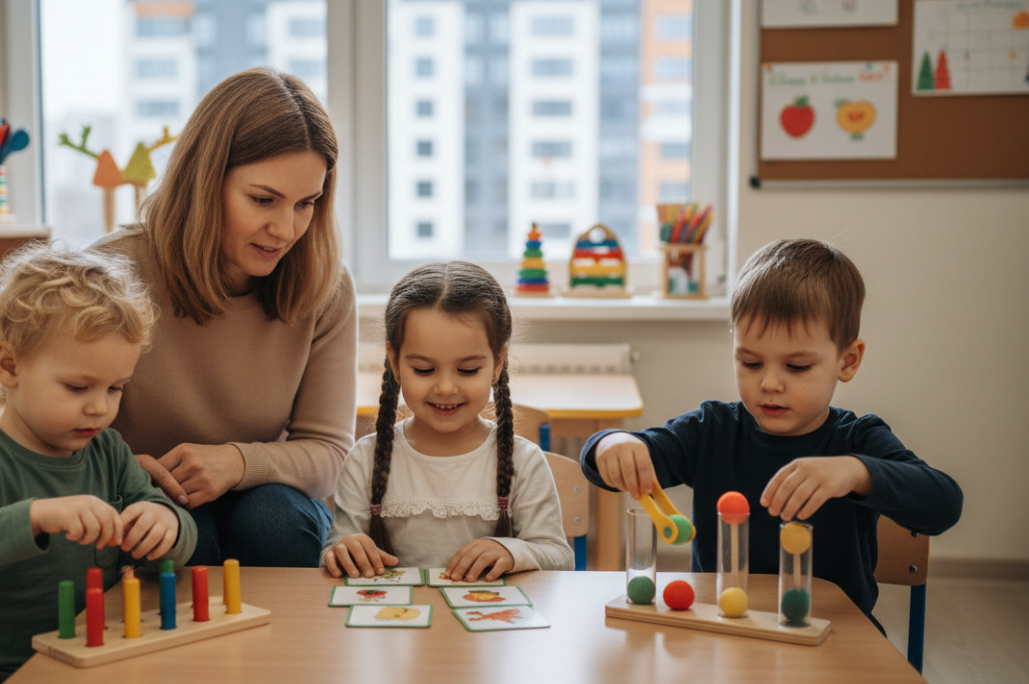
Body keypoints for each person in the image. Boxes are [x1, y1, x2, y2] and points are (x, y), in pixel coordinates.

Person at [582, 238, 962, 623]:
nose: (770, 384)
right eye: (750, 362)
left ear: (847, 361)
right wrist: (610, 443)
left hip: (830, 643)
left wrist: (856, 472)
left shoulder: (856, 439)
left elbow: (944, 504)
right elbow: (612, 460)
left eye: (796, 367)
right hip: (727, 635)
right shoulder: (711, 430)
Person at [0, 243, 196, 684]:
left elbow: (174, 536)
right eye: (79, 388)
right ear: (10, 367)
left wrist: (166, 525)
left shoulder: (109, 451)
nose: (100, 409)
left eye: (115, 388)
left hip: (87, 664)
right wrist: (34, 516)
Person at [94, 67, 357, 568]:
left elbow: (329, 454)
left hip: (264, 499)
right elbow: (43, 432)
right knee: (179, 534)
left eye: (307, 204)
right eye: (263, 200)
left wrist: (238, 462)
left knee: (273, 521)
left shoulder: (325, 286)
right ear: (204, 182)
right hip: (141, 497)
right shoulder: (111, 272)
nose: (285, 229)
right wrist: (123, 471)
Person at [322, 261, 572, 581]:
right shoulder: (365, 459)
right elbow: (334, 551)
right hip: (396, 624)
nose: (445, 388)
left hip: (491, 627)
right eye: (424, 370)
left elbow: (560, 556)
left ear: (498, 363)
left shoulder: (522, 460)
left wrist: (512, 552)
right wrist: (343, 550)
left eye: (467, 370)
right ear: (395, 363)